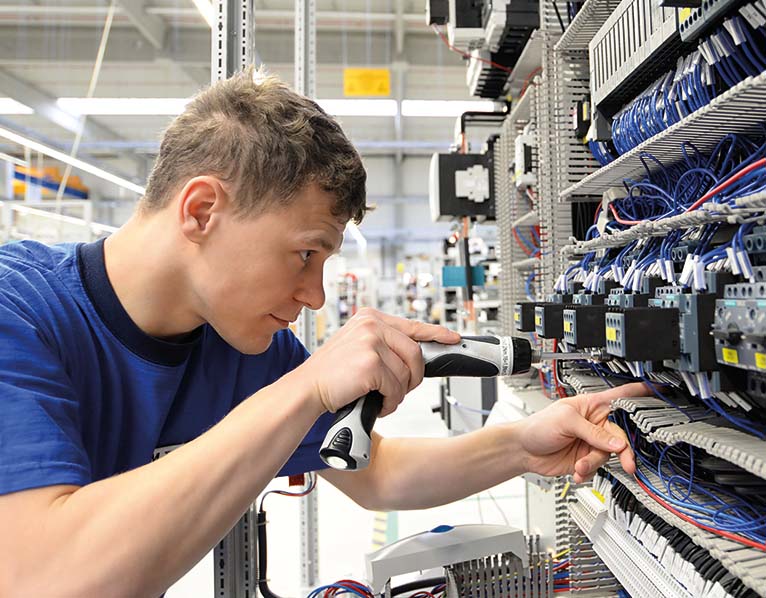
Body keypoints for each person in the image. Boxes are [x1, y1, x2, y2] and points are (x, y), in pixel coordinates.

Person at [0, 68, 642, 597]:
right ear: (201, 211)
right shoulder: (18, 311)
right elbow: (46, 577)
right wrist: (306, 386)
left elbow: (376, 473)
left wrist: (525, 446)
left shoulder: (241, 345)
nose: (313, 297)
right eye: (305, 254)